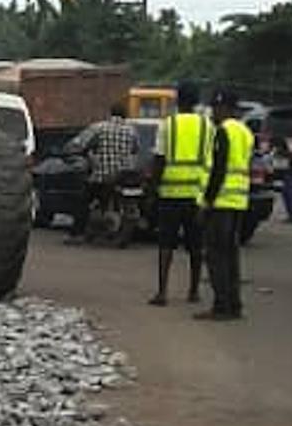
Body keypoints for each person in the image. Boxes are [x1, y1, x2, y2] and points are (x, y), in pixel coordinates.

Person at [195, 89, 255, 321]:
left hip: (220, 203)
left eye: (216, 108)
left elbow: (218, 171)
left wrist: (206, 203)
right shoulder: (245, 132)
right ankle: (234, 304)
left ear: (227, 109)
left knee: (216, 255)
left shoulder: (224, 132)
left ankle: (221, 306)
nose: (213, 113)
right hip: (238, 201)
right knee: (231, 255)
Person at [148, 83, 210, 306]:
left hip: (170, 194)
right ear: (195, 102)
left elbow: (159, 159)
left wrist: (153, 190)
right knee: (196, 246)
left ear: (177, 100)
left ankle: (162, 292)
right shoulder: (206, 126)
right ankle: (193, 291)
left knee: (166, 244)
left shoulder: (169, 125)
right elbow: (210, 160)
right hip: (196, 195)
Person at [63, 102, 139, 242]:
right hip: (125, 178)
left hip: (102, 176)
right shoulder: (132, 131)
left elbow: (79, 144)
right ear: (125, 115)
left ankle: (76, 233)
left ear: (110, 113)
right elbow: (135, 150)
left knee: (83, 201)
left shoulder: (99, 128)